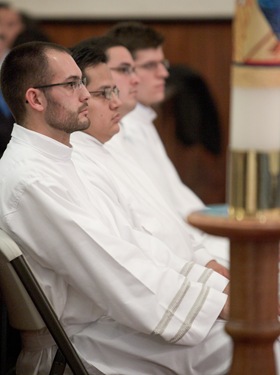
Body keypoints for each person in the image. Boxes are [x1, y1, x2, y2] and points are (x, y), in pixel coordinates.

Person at [0, 41, 231, 375]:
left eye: (82, 82)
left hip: (108, 324)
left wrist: (210, 287)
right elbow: (113, 267)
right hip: (79, 345)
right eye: (71, 85)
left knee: (241, 333)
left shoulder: (62, 161)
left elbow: (134, 241)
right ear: (35, 99)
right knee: (238, 342)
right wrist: (219, 303)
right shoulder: (31, 181)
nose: (84, 95)